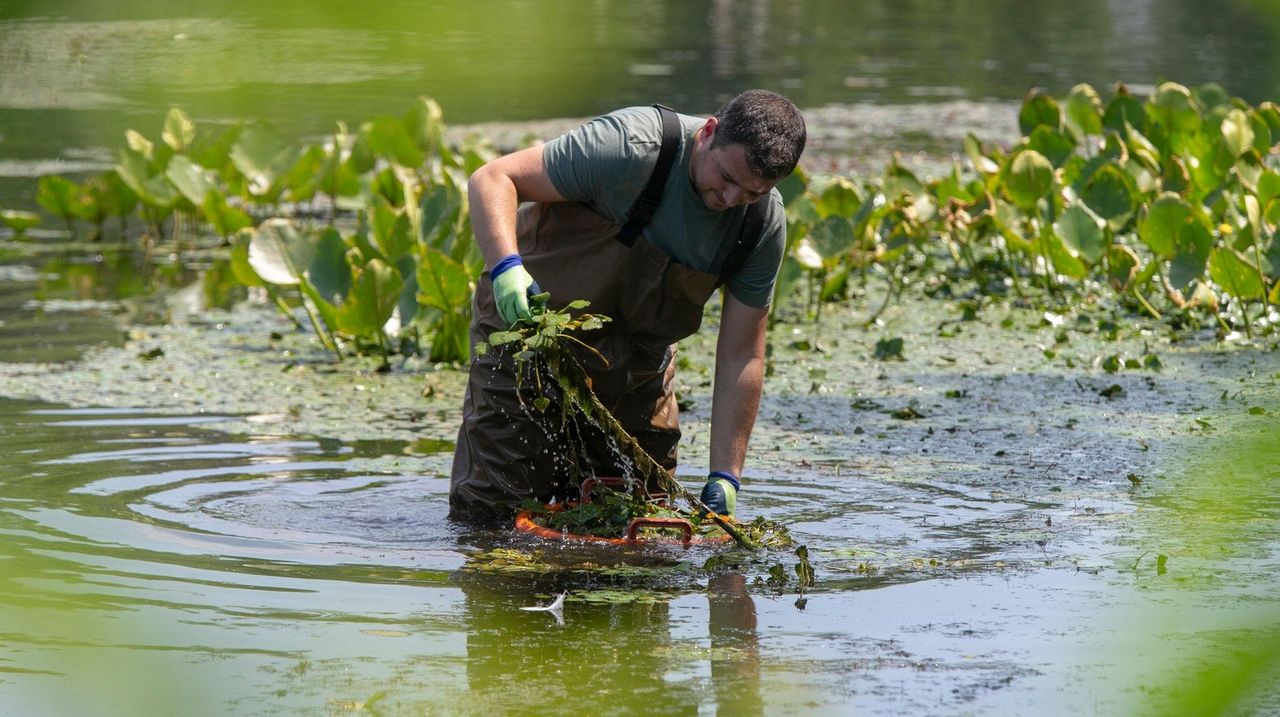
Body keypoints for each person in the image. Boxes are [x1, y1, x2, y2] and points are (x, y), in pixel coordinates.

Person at [449, 89, 806, 524]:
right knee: (497, 513)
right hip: (527, 339)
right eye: (727, 178)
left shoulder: (761, 226)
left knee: (640, 516)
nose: (730, 200)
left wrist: (726, 475)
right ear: (709, 133)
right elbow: (494, 178)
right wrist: (506, 266)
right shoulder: (631, 147)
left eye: (752, 192)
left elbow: (741, 354)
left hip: (637, 365)